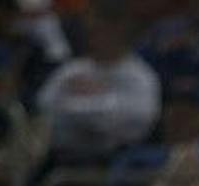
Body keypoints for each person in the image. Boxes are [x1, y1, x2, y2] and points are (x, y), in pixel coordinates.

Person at [36, 1, 161, 164]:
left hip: (114, 160)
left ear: (119, 30)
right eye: (91, 30)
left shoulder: (140, 75)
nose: (95, 35)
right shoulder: (72, 70)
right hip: (64, 157)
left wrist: (82, 103)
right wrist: (102, 105)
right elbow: (45, 106)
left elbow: (140, 119)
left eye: (102, 29)